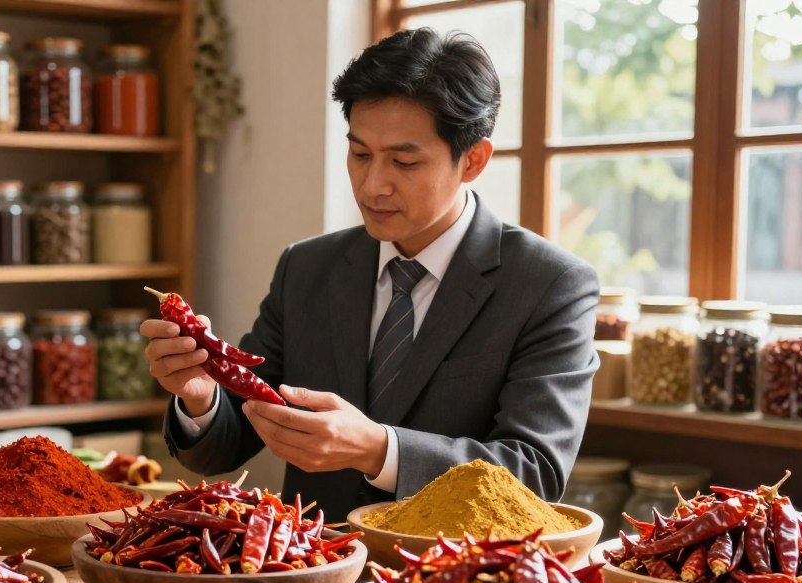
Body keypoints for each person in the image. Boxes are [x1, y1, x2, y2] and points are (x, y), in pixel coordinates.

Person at [143, 28, 600, 521]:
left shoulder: (550, 284)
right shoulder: (306, 268)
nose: (372, 184)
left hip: (460, 580)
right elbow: (225, 446)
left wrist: (380, 451)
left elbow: (536, 473)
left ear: (473, 160)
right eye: (359, 154)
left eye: (404, 161)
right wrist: (201, 397)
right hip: (311, 572)